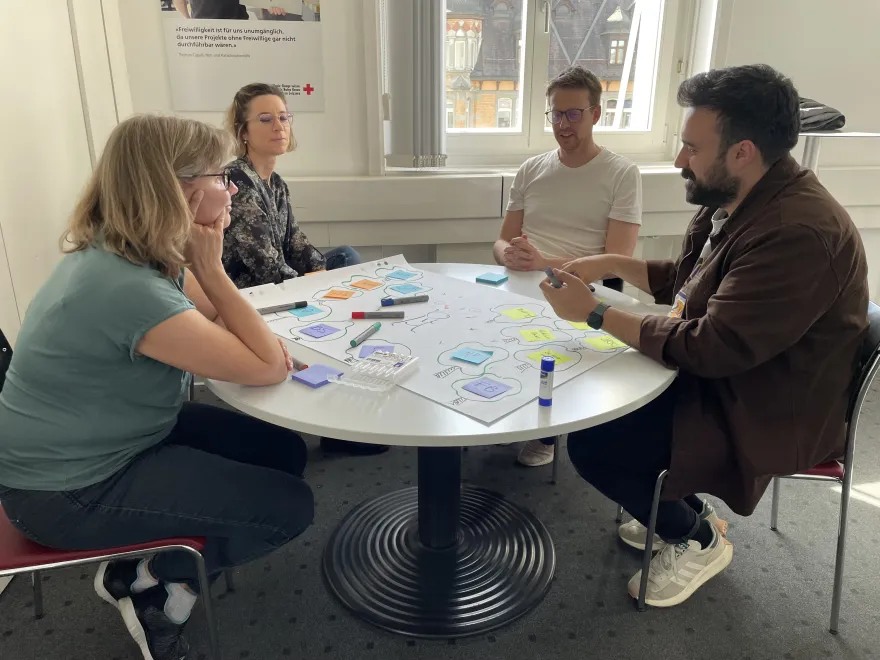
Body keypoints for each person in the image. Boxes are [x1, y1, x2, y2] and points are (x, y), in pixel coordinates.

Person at [540, 64, 868, 607]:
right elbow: (692, 279)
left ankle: (697, 538)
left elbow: (712, 347)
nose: (678, 161)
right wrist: (610, 263)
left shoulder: (798, 232)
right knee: (602, 391)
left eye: (691, 148)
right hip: (739, 369)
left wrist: (594, 313)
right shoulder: (742, 196)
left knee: (597, 444)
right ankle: (679, 508)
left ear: (742, 152)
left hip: (769, 403)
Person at [0, 115, 315, 659]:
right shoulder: (126, 288)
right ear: (183, 193)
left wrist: (223, 306)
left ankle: (134, 572)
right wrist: (214, 270)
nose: (232, 190)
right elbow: (266, 365)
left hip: (117, 438)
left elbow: (214, 316)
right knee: (289, 508)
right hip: (68, 492)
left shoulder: (128, 252)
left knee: (283, 451)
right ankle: (154, 589)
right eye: (222, 177)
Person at [223, 83, 383, 456]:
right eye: (265, 119)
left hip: (281, 283)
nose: (279, 126)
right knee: (338, 295)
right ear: (243, 131)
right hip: (249, 295)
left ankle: (341, 368)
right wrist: (313, 284)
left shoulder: (276, 183)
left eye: (283, 117)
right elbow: (264, 265)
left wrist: (322, 272)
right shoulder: (237, 182)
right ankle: (337, 425)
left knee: (345, 258)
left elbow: (295, 242)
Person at [495, 66, 643, 467]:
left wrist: (545, 263)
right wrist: (508, 254)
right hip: (520, 283)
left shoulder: (621, 173)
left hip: (580, 293)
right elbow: (502, 240)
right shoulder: (532, 168)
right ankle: (510, 412)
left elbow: (617, 261)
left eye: (573, 114)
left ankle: (545, 429)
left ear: (595, 114)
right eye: (556, 114)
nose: (563, 124)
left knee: (547, 346)